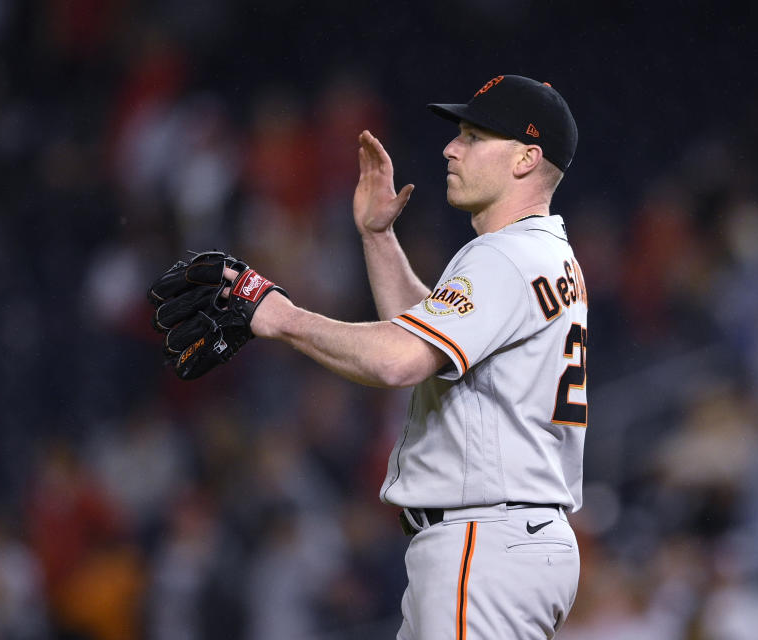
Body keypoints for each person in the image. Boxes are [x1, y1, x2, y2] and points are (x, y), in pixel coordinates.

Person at [238, 74, 586, 639]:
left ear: (526, 157)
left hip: (485, 540)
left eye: (475, 137)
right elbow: (430, 335)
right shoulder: (544, 254)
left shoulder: (505, 256)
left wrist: (280, 315)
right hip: (511, 538)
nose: (451, 148)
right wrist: (379, 238)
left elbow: (399, 360)